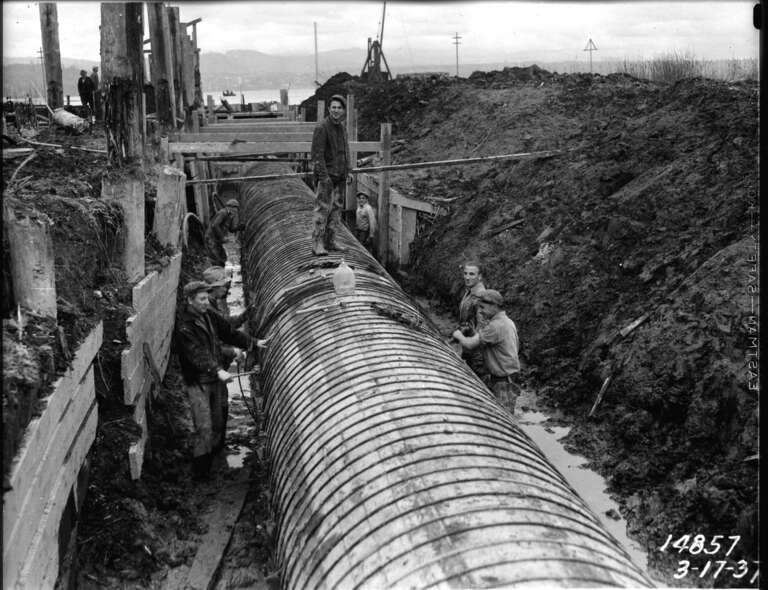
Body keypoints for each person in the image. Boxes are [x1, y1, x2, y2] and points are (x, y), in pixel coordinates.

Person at [174, 280, 267, 479]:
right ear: (190, 301)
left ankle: (217, 461)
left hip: (215, 378)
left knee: (218, 422)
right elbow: (196, 354)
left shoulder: (209, 315)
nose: (206, 302)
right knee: (205, 428)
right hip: (199, 382)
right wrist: (217, 369)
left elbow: (229, 333)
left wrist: (253, 343)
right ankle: (202, 474)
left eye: (207, 298)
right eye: (201, 299)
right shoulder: (184, 325)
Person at [452, 289, 521, 413]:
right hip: (509, 376)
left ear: (494, 306)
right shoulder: (507, 322)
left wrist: (458, 335)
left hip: (503, 381)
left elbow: (470, 345)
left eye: (483, 307)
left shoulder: (495, 326)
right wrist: (473, 333)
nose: (481, 311)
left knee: (503, 416)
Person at [310, 94, 352, 255]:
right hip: (327, 178)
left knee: (336, 211)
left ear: (343, 111)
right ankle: (317, 244)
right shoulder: (322, 127)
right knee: (322, 210)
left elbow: (345, 151)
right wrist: (324, 177)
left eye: (339, 108)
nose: (336, 110)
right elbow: (316, 155)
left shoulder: (341, 128)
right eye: (333, 107)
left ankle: (330, 241)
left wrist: (347, 171)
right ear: (329, 109)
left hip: (339, 177)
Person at [205, 199, 243, 267]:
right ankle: (215, 274)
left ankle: (222, 273)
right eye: (236, 208)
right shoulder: (223, 213)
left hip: (217, 239)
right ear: (231, 207)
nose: (236, 211)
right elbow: (215, 225)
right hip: (211, 238)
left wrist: (239, 227)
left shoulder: (230, 215)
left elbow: (231, 229)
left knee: (223, 258)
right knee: (216, 259)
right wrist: (222, 237)